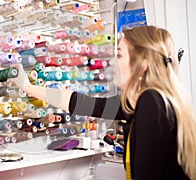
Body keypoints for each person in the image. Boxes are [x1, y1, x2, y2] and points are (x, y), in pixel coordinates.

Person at [10, 25, 196, 180]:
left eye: (120, 55)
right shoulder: (143, 102)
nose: (113, 62)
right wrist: (28, 87)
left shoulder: (152, 102)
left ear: (143, 63)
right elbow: (79, 102)